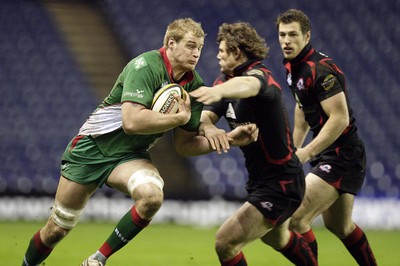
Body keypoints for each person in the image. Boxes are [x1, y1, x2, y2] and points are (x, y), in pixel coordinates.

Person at [20, 17, 248, 266]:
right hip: (91, 149)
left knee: (151, 197)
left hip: (130, 156)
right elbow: (131, 122)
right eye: (191, 46)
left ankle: (97, 260)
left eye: (200, 48)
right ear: (171, 43)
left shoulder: (194, 86)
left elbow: (184, 146)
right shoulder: (145, 66)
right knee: (56, 230)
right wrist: (177, 119)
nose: (197, 54)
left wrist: (229, 139)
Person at [190, 22, 317, 266]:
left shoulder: (259, 76)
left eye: (223, 50)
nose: (217, 55)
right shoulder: (224, 81)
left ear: (237, 53)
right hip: (262, 180)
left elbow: (249, 86)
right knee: (278, 239)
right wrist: (209, 127)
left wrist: (219, 92)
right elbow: (206, 118)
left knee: (225, 242)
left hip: (281, 182)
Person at [274, 9, 377, 265]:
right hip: (332, 153)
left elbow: (340, 119)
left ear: (306, 36)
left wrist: (307, 152)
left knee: (296, 218)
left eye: (293, 35)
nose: (286, 41)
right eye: (282, 35)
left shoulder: (320, 71)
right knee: (341, 227)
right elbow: (302, 109)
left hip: (343, 156)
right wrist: (292, 153)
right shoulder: (292, 67)